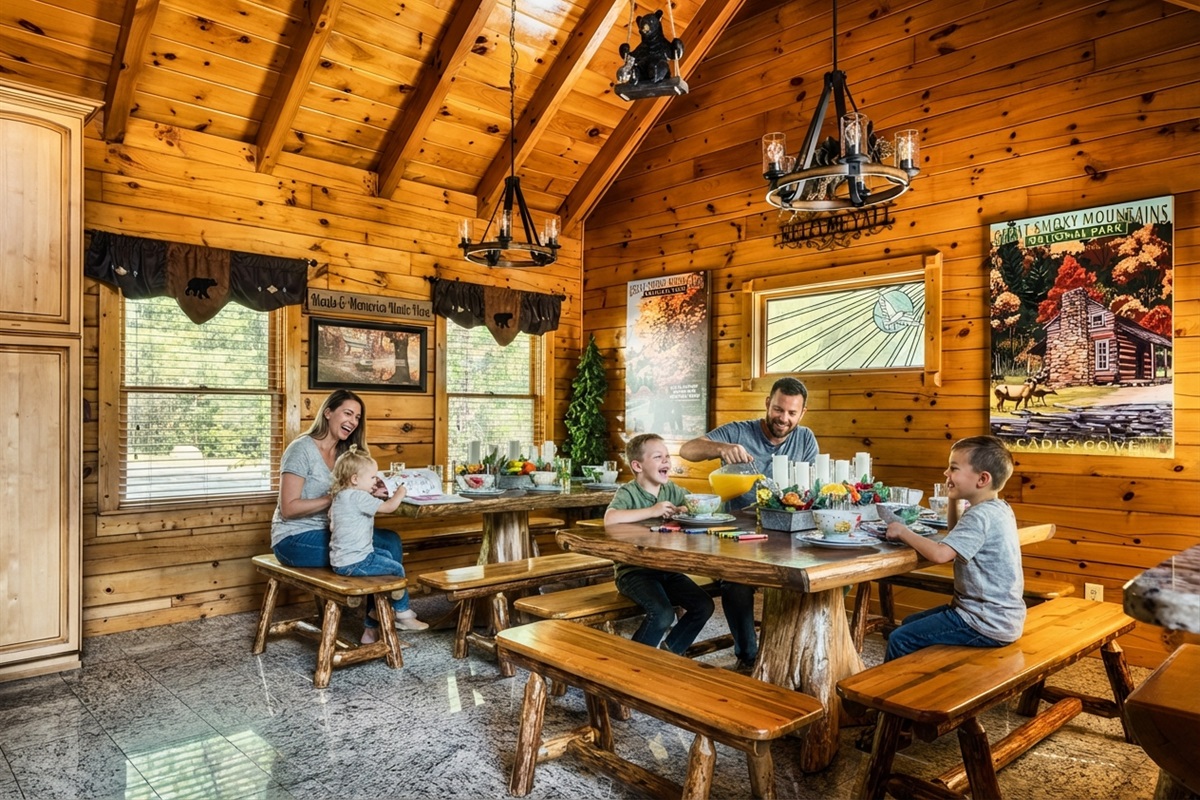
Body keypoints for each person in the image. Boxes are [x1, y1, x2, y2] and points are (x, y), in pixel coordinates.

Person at [677, 375, 819, 669]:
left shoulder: (805, 439)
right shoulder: (739, 432)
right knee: (735, 583)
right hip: (739, 532)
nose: (784, 418)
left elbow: (812, 488)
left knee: (813, 577)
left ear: (802, 413)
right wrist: (719, 448)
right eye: (778, 409)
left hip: (788, 532)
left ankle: (798, 652)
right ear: (768, 403)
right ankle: (749, 656)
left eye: (792, 413)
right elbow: (687, 450)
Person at [269, 390, 413, 624]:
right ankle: (383, 622)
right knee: (376, 555)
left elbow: (353, 496)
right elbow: (288, 508)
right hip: (293, 539)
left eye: (357, 417)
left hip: (333, 533)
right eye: (348, 413)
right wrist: (338, 496)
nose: (353, 422)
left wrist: (370, 491)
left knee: (391, 541)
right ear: (328, 412)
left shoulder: (346, 455)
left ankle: (373, 626)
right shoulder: (301, 449)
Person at [883, 435, 1024, 661]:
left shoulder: (980, 515)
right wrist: (952, 499)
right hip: (1002, 616)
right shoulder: (998, 508)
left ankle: (889, 693)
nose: (946, 473)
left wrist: (903, 532)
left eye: (953, 468)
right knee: (910, 624)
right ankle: (921, 678)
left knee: (901, 638)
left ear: (982, 479)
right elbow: (956, 532)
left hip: (982, 621)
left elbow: (941, 554)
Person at [604, 434, 715, 656]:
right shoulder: (628, 492)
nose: (666, 461)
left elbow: (696, 503)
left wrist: (685, 509)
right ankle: (633, 663)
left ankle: (668, 654)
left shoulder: (672, 490)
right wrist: (652, 512)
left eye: (667, 456)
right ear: (637, 465)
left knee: (704, 605)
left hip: (667, 569)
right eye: (658, 457)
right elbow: (610, 518)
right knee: (663, 613)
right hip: (634, 572)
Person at [328, 445, 428, 641]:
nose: (375, 480)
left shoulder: (340, 496)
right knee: (396, 569)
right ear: (355, 479)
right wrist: (401, 491)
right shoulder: (358, 496)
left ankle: (372, 623)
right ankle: (403, 613)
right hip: (358, 561)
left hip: (341, 561)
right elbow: (389, 507)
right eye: (373, 477)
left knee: (388, 557)